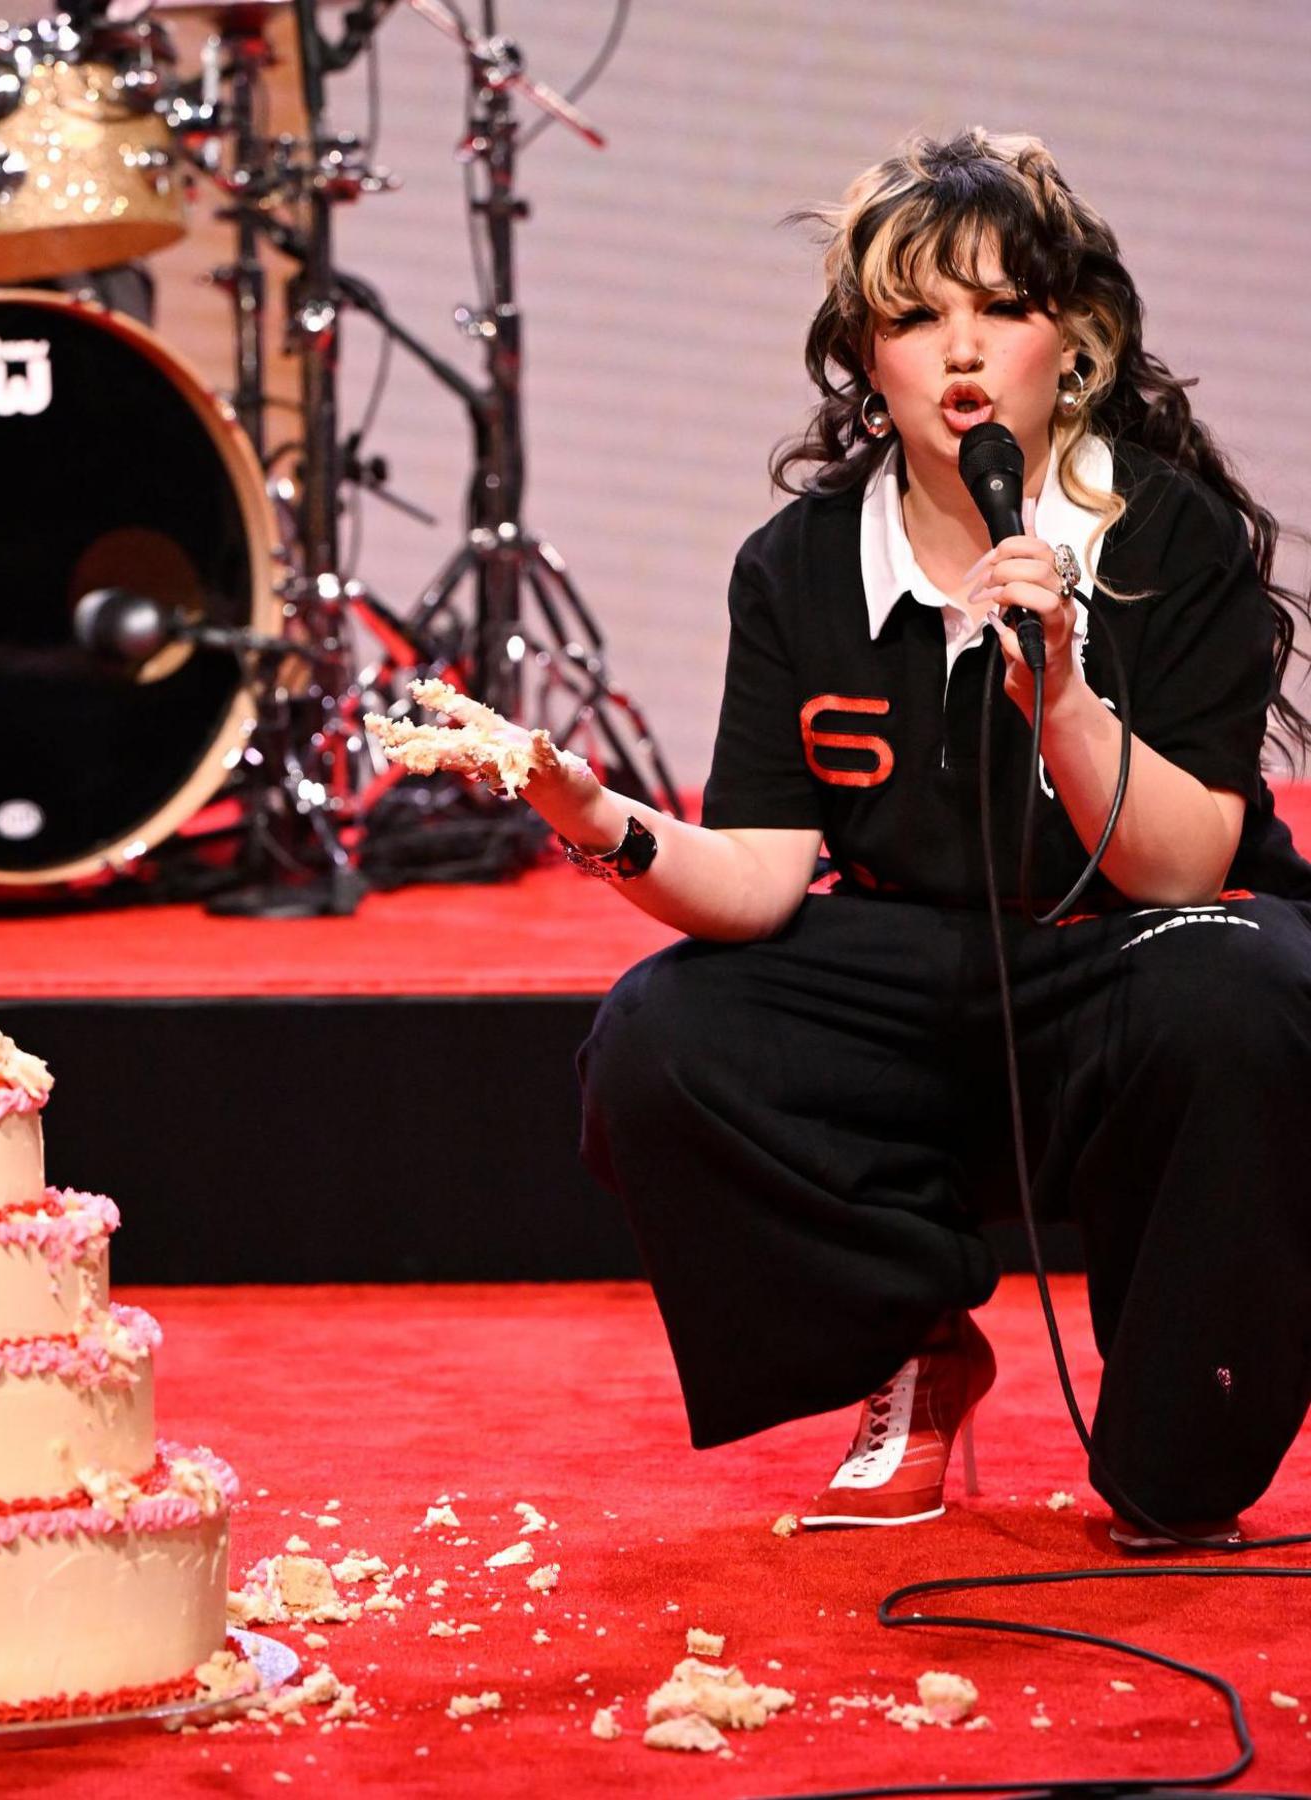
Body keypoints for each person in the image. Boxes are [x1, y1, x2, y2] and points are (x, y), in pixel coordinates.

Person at [372, 129, 1311, 1548]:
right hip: (913, 978)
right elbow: (755, 878)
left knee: (1245, 978)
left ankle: (1180, 1446)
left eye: (1001, 308)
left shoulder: (1168, 537)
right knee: (662, 1036)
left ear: (1081, 342)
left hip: (1127, 967)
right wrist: (591, 811)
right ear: (864, 360)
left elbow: (1180, 867)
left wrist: (1059, 685)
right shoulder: (801, 565)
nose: (962, 354)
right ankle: (911, 1338)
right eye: (916, 316)